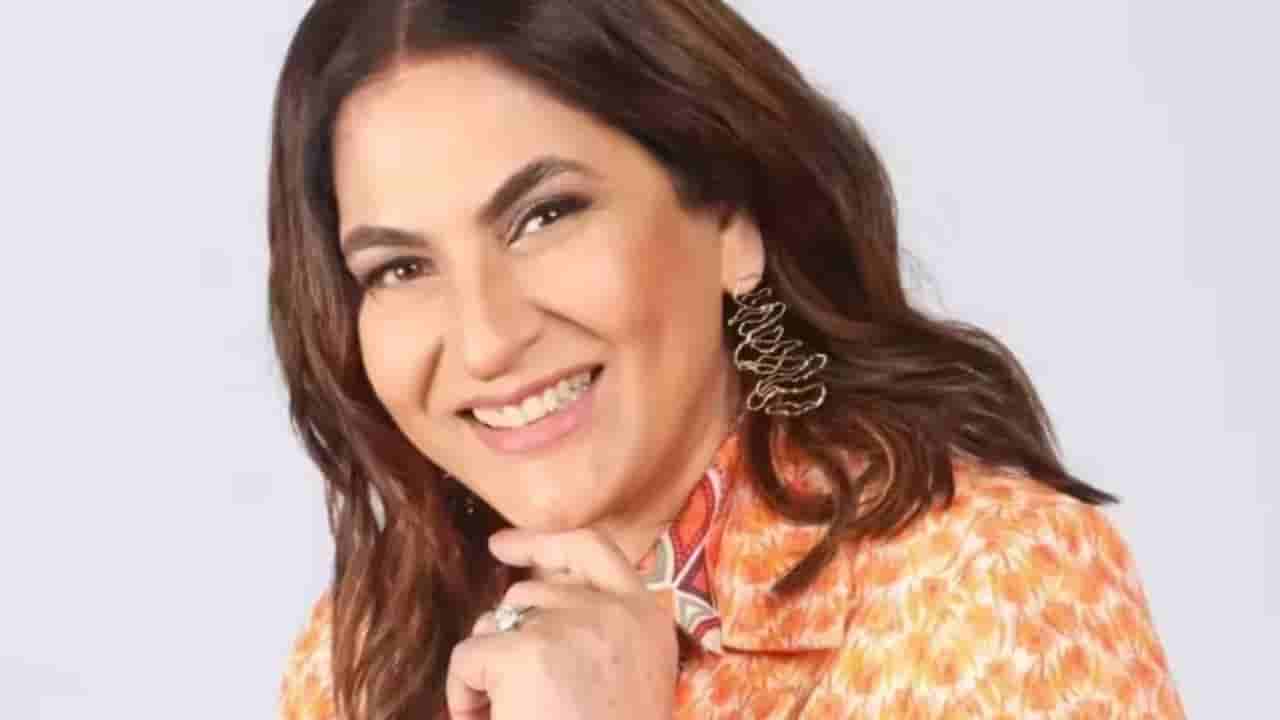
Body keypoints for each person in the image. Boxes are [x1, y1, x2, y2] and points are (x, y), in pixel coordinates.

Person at [269, 1, 1185, 718]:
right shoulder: (364, 653)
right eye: (400, 268)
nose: (486, 339)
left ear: (731, 220)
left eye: (545, 216)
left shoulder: (989, 586)